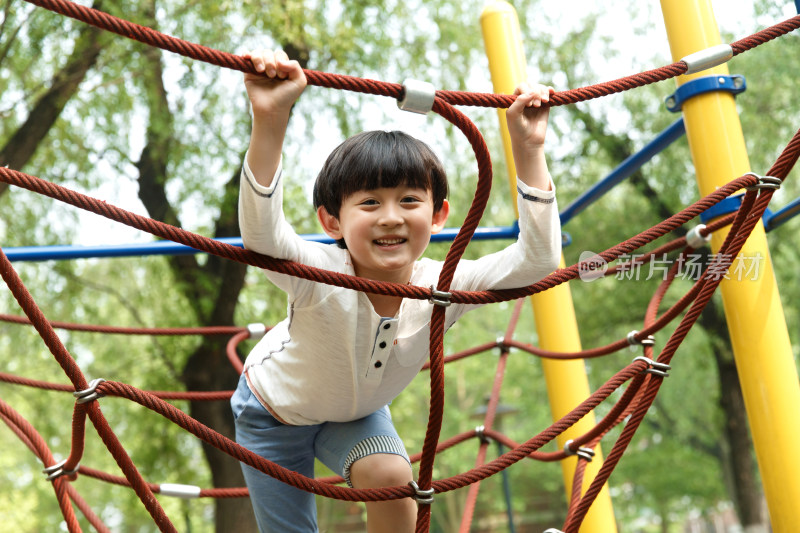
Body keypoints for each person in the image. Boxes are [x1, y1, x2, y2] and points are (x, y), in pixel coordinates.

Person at [231, 48, 561, 533]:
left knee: (391, 477)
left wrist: (528, 151)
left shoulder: (444, 285)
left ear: (439, 214)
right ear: (331, 221)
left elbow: (536, 261)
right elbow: (262, 236)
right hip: (273, 415)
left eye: (409, 200)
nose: (390, 216)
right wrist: (271, 118)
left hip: (358, 413)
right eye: (369, 202)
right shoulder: (320, 272)